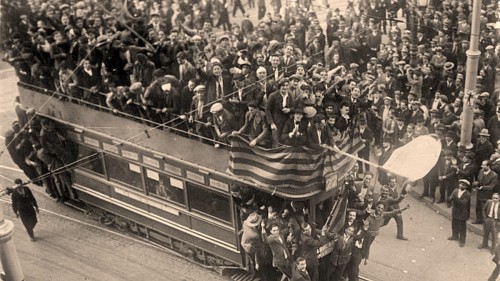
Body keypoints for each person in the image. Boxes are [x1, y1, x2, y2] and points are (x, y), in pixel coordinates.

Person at [448, 179, 471, 247]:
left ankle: (462, 241)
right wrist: (450, 199)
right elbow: (450, 198)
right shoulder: (455, 190)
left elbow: (463, 203)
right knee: (454, 224)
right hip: (455, 210)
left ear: (466, 187)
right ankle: (455, 236)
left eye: (463, 185)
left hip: (462, 212)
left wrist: (455, 198)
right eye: (460, 184)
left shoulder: (467, 194)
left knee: (462, 227)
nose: (461, 185)